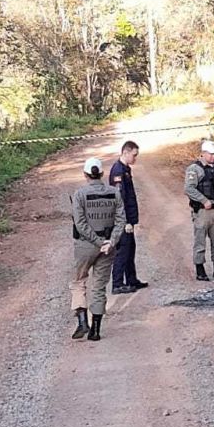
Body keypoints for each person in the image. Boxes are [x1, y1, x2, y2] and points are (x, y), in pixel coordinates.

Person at [70, 157, 125, 341]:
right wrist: (110, 241)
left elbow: (80, 224)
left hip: (85, 246)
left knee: (79, 281)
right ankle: (96, 330)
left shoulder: (79, 195)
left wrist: (96, 241)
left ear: (85, 174)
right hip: (108, 247)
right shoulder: (114, 193)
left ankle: (82, 321)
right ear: (102, 174)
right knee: (99, 287)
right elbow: (121, 221)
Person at [184, 140, 214, 281]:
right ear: (203, 153)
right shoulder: (195, 169)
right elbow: (188, 188)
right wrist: (203, 200)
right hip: (202, 211)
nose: (213, 157)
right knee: (200, 241)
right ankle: (200, 270)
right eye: (210, 154)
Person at [109, 140, 148, 294]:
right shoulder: (118, 171)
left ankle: (131, 279)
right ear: (125, 152)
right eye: (134, 155)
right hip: (122, 221)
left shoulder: (125, 169)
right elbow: (119, 199)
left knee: (131, 249)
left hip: (128, 220)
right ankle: (117, 284)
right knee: (123, 251)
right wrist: (124, 222)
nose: (135, 158)